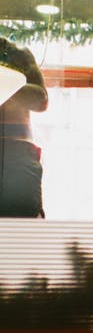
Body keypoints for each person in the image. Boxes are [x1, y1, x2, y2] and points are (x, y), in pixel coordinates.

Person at [0, 37, 48, 217]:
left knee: (24, 219)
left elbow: (40, 101)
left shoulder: (17, 54)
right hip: (19, 153)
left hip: (18, 154)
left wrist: (6, 82)